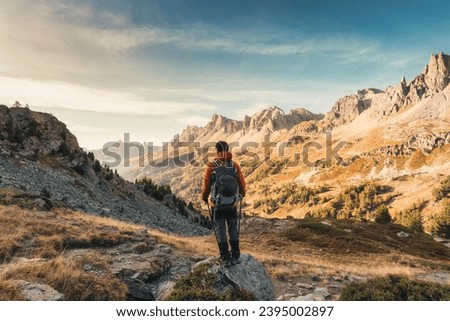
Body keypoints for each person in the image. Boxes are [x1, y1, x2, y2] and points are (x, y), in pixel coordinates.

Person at [202, 141, 246, 266]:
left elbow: (206, 185)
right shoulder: (234, 165)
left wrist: (205, 197)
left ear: (217, 151)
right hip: (232, 203)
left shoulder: (211, 166)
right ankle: (236, 255)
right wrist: (242, 194)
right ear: (228, 149)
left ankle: (225, 258)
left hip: (218, 204)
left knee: (220, 229)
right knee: (233, 228)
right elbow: (242, 183)